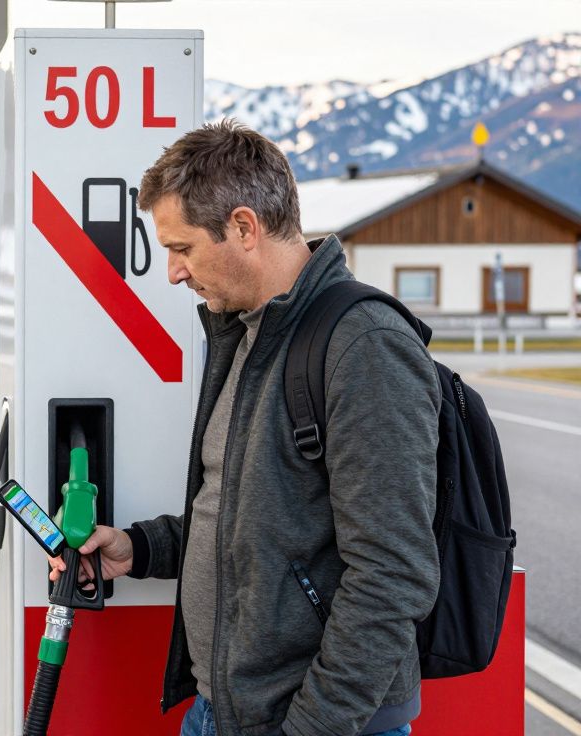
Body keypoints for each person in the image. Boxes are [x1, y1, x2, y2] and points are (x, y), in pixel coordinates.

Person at [48, 120, 441, 736]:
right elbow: (252, 517)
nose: (173, 273)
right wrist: (139, 548)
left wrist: (308, 728)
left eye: (182, 248)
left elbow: (393, 575)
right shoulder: (248, 337)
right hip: (220, 712)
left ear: (243, 227)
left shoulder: (364, 346)